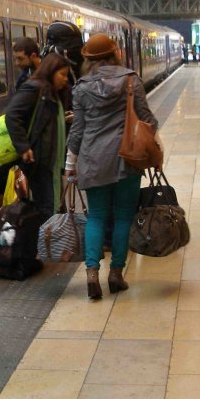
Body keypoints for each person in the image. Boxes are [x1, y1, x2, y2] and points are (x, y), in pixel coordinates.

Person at [64, 34, 158, 300]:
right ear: (115, 54)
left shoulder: (81, 88)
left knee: (96, 216)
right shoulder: (131, 80)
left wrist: (70, 164)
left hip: (93, 160)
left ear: (88, 60)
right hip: (127, 158)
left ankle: (92, 274)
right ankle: (116, 273)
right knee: (124, 217)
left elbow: (78, 131)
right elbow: (148, 119)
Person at [5, 53, 71, 222]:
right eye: (62, 75)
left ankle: (47, 244)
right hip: (40, 160)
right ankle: (45, 245)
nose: (65, 79)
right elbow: (12, 115)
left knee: (51, 205)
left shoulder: (53, 92)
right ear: (50, 72)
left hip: (51, 161)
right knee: (46, 208)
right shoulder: (34, 88)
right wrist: (23, 147)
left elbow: (45, 120)